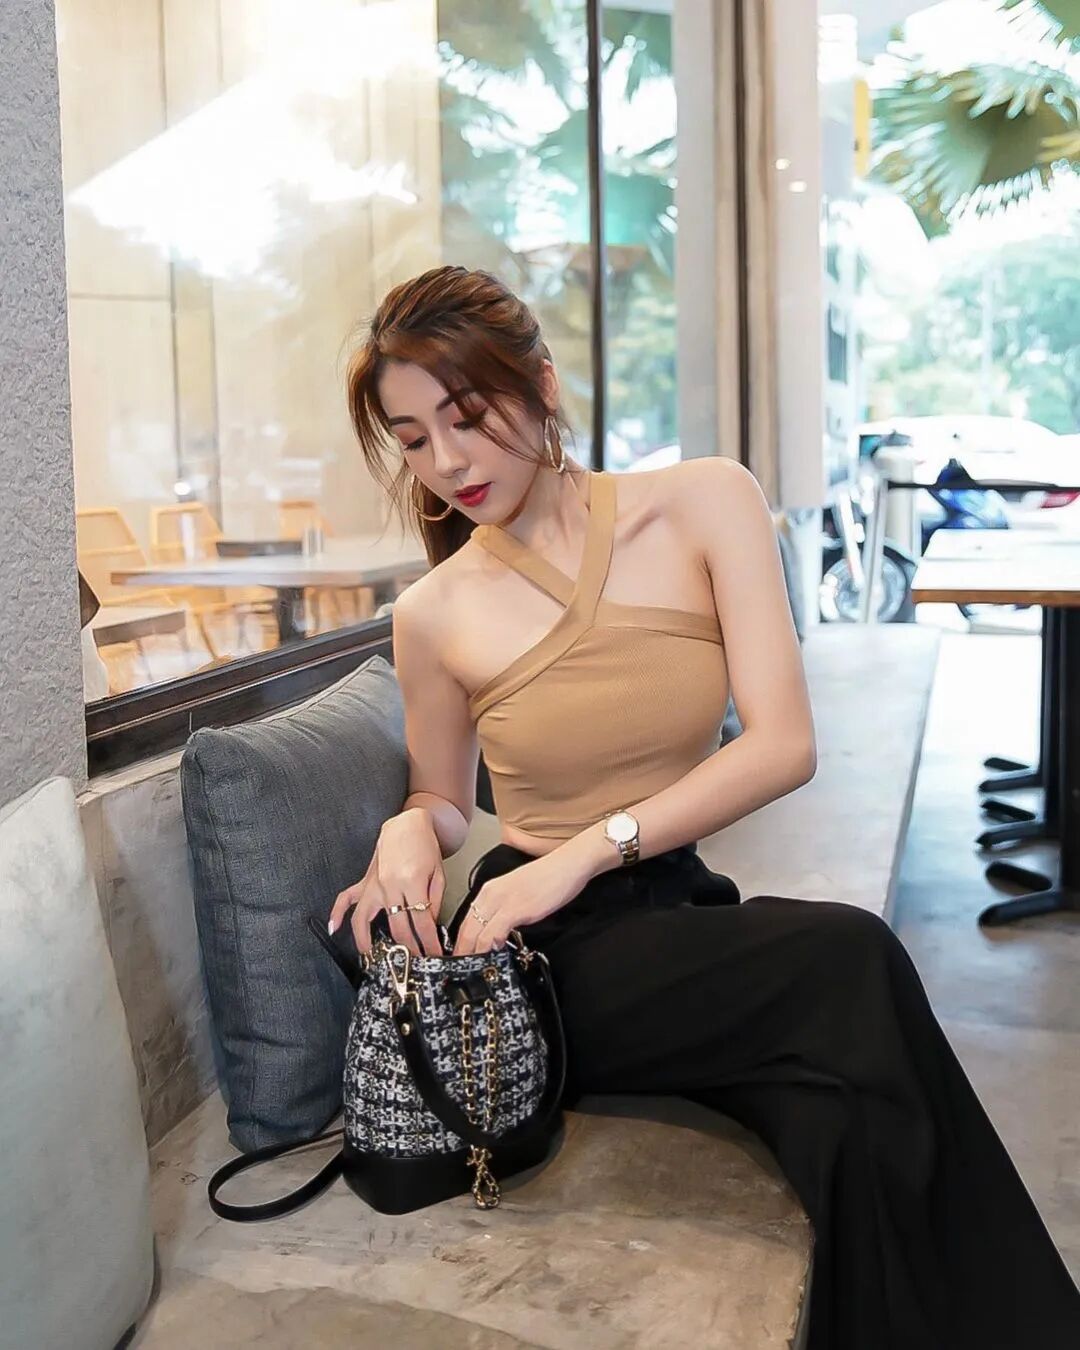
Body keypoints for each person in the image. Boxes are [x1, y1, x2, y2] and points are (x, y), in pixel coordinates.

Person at [327, 264, 1080, 1349]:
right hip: (545, 952)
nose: (447, 461)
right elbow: (444, 797)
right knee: (852, 955)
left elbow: (785, 746)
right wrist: (411, 825)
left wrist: (590, 850)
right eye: (412, 438)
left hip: (671, 904)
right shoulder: (435, 612)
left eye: (467, 414)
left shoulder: (705, 502)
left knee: (837, 1118)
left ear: (542, 384)